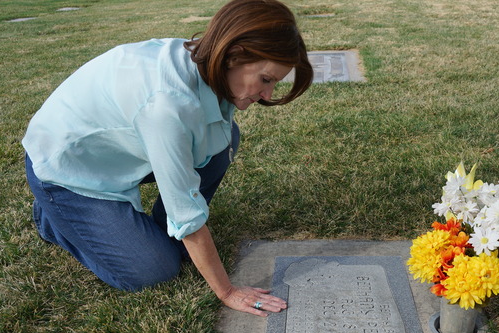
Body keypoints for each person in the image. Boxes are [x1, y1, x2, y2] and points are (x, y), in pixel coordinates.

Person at [22, 0, 313, 316]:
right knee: (154, 270)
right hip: (67, 171)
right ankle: (51, 220)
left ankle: (153, 230)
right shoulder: (167, 106)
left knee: (224, 138)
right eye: (266, 79)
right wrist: (228, 292)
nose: (267, 95)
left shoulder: (205, 62)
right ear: (234, 55)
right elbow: (185, 212)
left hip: (120, 150)